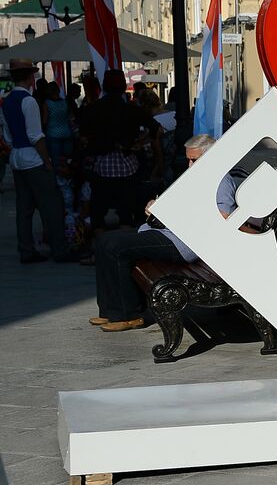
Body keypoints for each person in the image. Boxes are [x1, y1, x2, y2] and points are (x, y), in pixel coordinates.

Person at [90, 134, 239, 332]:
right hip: (167, 231)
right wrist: (158, 206)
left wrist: (179, 214)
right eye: (188, 159)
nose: (190, 164)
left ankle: (129, 314)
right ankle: (109, 310)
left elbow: (223, 215)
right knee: (103, 240)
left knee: (115, 247)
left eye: (194, 160)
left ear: (210, 157)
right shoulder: (199, 175)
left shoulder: (221, 180)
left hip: (182, 241)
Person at [1, 58, 75, 263]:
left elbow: (7, 135)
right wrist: (48, 162)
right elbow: (36, 136)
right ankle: (59, 249)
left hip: (16, 156)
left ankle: (26, 249)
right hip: (32, 159)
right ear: (30, 77)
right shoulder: (29, 101)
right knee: (51, 204)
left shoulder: (6, 101)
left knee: (24, 208)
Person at [81, 71, 154, 230]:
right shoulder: (131, 109)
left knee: (98, 211)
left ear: (104, 87)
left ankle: (98, 249)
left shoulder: (93, 108)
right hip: (127, 163)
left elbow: (83, 136)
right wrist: (139, 143)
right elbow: (156, 129)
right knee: (126, 211)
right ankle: (122, 245)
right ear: (123, 87)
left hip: (101, 164)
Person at [40, 81, 74, 167]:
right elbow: (70, 118)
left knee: (56, 161)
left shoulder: (47, 103)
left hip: (53, 134)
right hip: (67, 133)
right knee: (68, 160)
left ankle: (58, 179)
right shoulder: (64, 102)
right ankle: (67, 178)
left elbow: (44, 120)